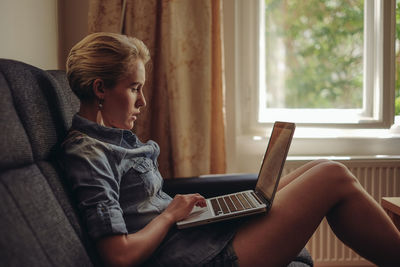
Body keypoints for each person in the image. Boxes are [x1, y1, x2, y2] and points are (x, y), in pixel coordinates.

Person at [61, 32, 400, 267]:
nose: (143, 101)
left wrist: (190, 211)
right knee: (332, 176)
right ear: (101, 89)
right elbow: (117, 256)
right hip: (198, 259)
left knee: (321, 165)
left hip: (198, 240)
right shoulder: (90, 155)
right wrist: (169, 215)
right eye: (135, 89)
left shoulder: (112, 139)